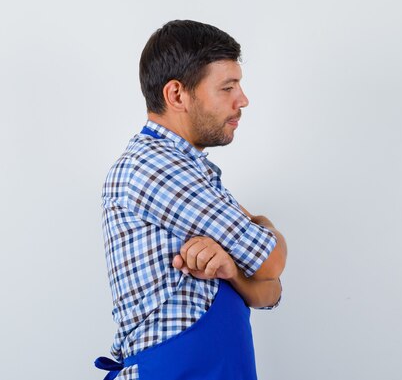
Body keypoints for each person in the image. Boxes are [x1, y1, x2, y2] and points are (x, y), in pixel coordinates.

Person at [95, 20, 287, 380]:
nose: (242, 100)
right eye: (227, 87)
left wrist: (234, 268)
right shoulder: (155, 168)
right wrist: (265, 225)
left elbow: (271, 290)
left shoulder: (192, 171)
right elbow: (271, 261)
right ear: (177, 95)